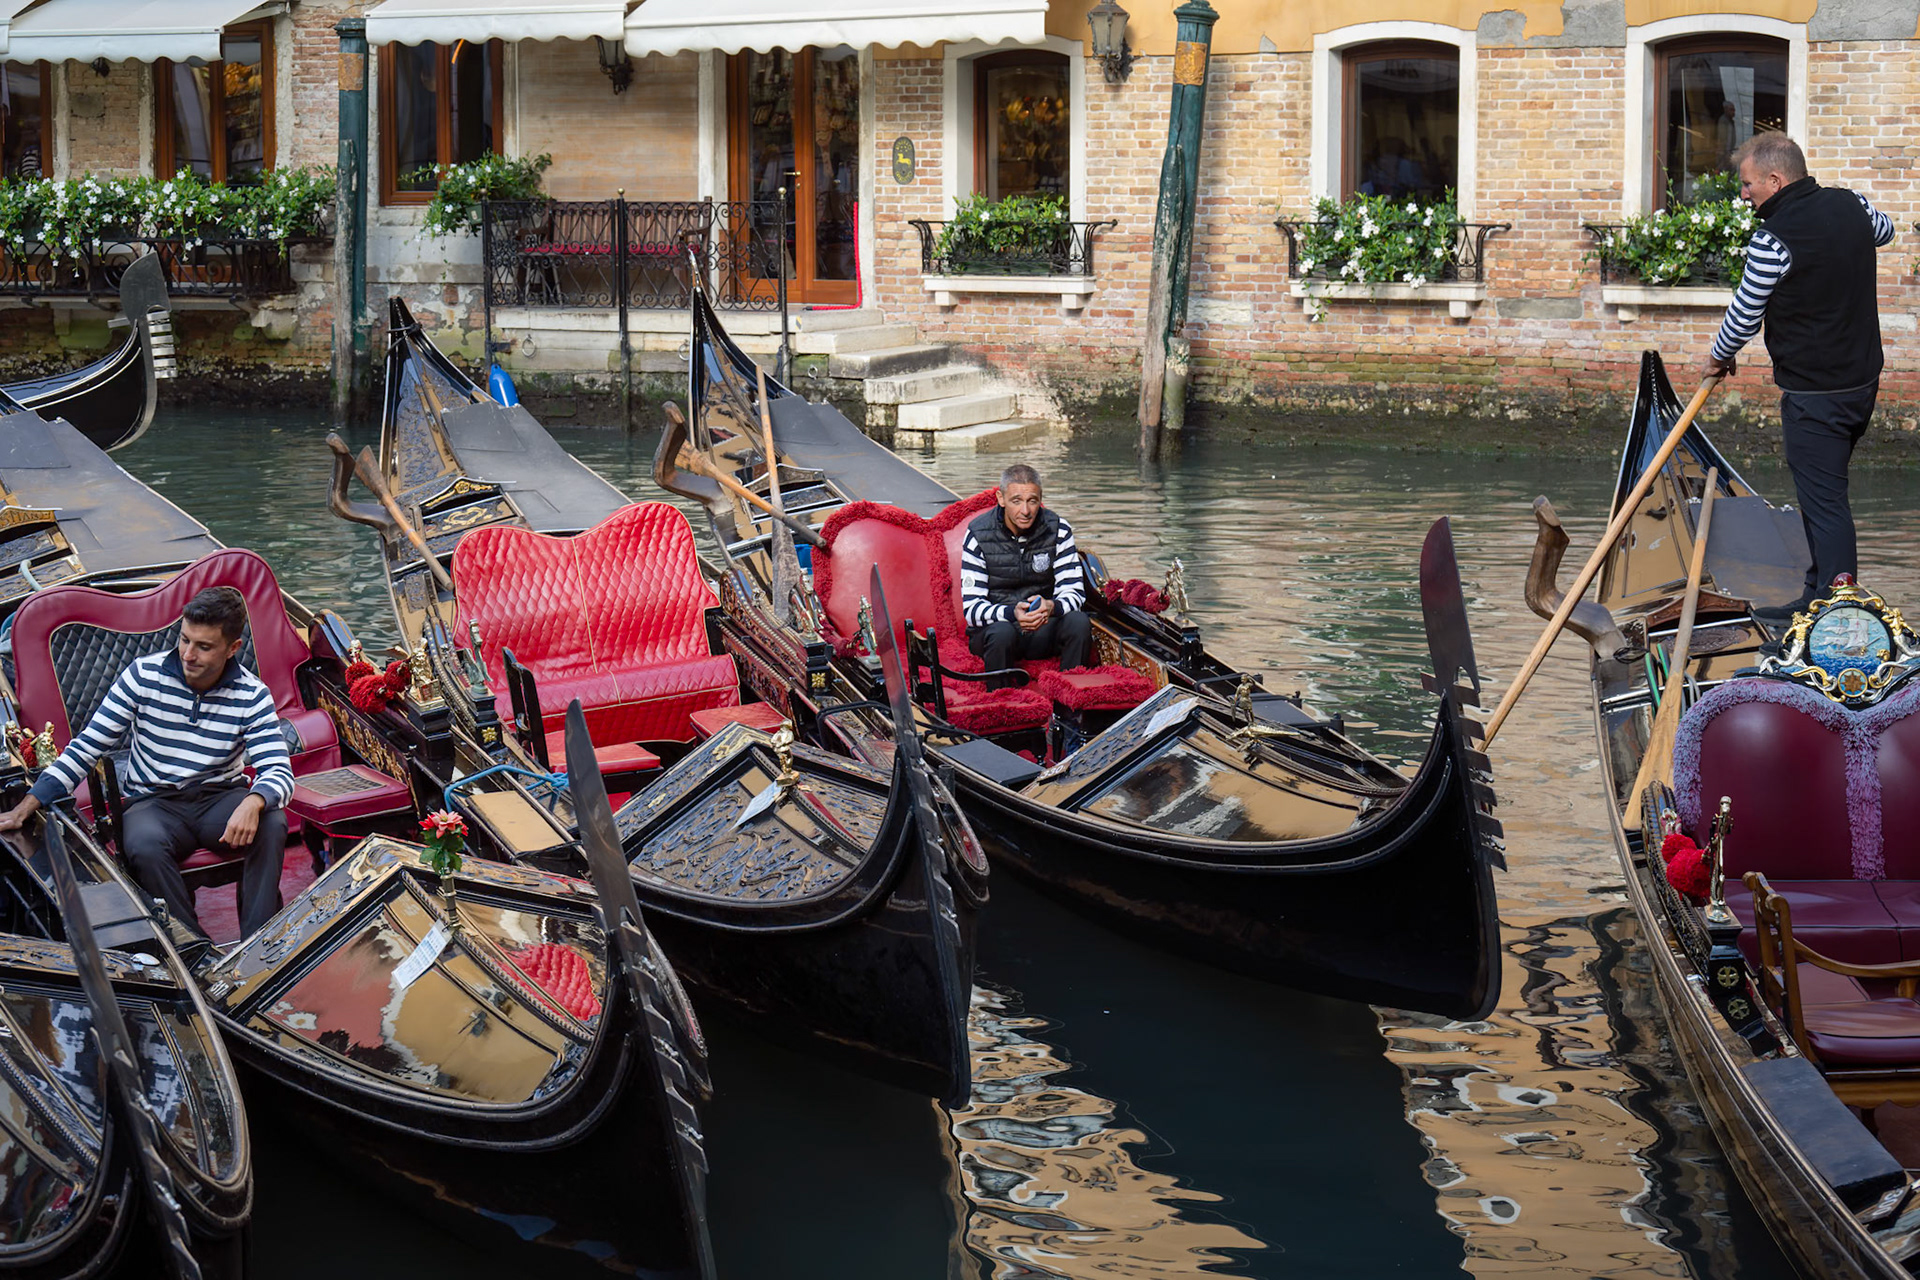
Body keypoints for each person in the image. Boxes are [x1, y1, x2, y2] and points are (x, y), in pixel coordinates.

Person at [0, 586, 293, 939]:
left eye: (203, 646)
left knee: (271, 821)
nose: (188, 655)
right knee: (143, 844)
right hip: (153, 802)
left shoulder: (252, 694)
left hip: (219, 798)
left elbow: (278, 768)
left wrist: (254, 800)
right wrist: (24, 808)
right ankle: (192, 948)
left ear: (233, 648)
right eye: (184, 640)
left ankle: (261, 940)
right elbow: (87, 746)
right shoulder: (143, 675)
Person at [1702, 132, 1894, 615]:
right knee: (1820, 495)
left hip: (1816, 394)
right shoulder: (1852, 204)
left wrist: (1718, 358)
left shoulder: (1773, 238)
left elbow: (1744, 315)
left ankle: (1835, 615)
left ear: (1775, 180)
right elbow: (1885, 230)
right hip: (1861, 383)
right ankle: (1816, 595)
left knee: (1826, 503)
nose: (1743, 194)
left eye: (1748, 184)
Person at [960, 464, 1091, 690]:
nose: (1025, 510)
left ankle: (1070, 698)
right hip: (999, 631)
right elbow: (972, 611)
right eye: (1016, 501)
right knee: (1001, 632)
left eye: (1032, 501)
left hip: (1043, 627)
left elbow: (1074, 593)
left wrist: (1051, 607)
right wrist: (1012, 613)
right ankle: (1000, 700)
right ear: (1001, 499)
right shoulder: (977, 534)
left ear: (1040, 499)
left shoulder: (1059, 530)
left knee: (1078, 622)